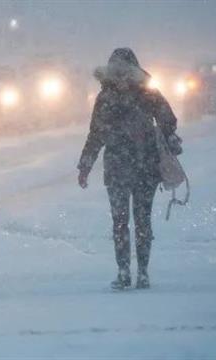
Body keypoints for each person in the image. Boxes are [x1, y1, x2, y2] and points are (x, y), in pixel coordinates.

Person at [77, 48, 180, 290]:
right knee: (143, 221)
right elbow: (169, 120)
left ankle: (124, 272)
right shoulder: (147, 92)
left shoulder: (106, 97)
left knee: (120, 222)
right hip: (145, 166)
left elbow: (96, 134)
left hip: (117, 168)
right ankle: (142, 272)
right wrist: (160, 132)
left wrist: (85, 166)